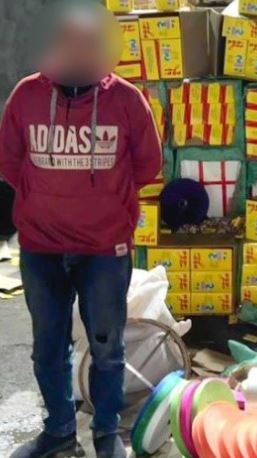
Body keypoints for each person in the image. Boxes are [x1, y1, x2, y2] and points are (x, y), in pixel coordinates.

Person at [0, 2, 162, 457]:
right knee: (47, 350)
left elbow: (148, 166)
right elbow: (9, 162)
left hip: (104, 250)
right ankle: (59, 432)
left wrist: (104, 204)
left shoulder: (127, 100)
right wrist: (46, 198)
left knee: (107, 348)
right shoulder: (26, 96)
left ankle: (107, 433)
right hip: (41, 248)